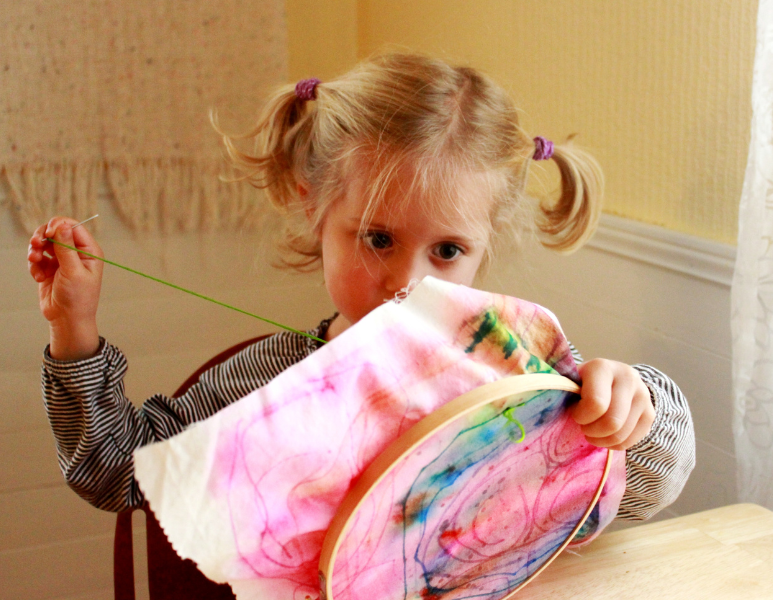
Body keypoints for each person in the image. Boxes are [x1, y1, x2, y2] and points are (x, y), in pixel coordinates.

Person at [27, 53, 694, 521]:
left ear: (485, 245)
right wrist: (74, 330)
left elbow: (645, 490)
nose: (407, 282)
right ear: (312, 204)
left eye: (448, 250)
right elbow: (116, 474)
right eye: (378, 239)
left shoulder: (514, 380)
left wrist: (634, 411)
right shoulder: (268, 382)